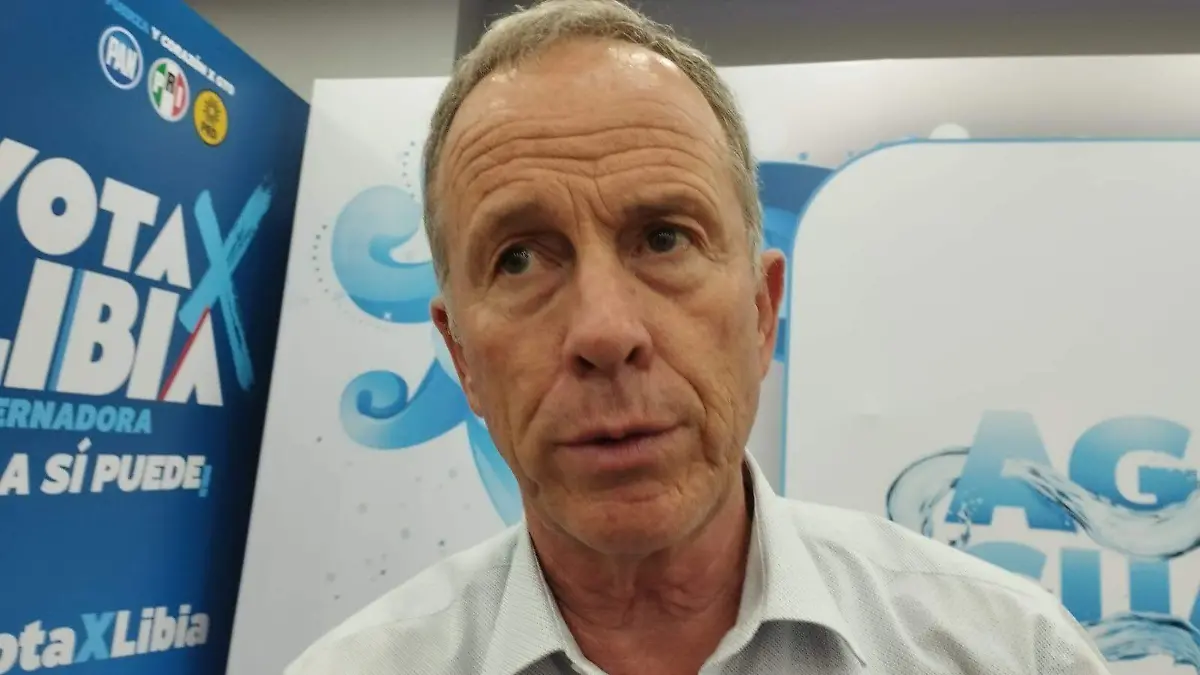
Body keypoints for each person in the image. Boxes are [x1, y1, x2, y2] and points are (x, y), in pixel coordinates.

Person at [287, 1, 1113, 673]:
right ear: (462, 356)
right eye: (521, 258)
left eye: (664, 238)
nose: (605, 332)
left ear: (761, 310)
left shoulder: (1010, 652)